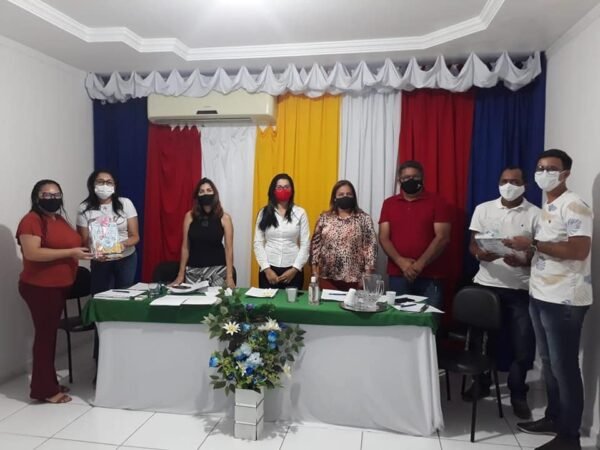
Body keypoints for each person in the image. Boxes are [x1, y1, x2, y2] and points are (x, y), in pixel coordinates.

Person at [504, 149, 592, 450]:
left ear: (565, 173)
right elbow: (548, 250)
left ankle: (569, 437)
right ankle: (554, 418)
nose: (544, 173)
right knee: (548, 363)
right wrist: (524, 257)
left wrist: (533, 243)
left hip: (564, 299)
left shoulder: (574, 205)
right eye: (540, 167)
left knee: (564, 367)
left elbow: (579, 250)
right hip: (540, 294)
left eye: (551, 168)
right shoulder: (548, 207)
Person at [466, 166, 539, 419]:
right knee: (481, 342)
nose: (509, 186)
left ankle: (518, 392)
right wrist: (479, 254)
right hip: (486, 285)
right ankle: (481, 382)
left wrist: (524, 261)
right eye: (504, 181)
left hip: (520, 288)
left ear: (525, 185)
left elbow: (540, 252)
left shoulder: (536, 214)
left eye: (515, 182)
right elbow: (473, 244)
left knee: (523, 345)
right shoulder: (483, 209)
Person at [16, 179, 92, 403]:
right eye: (47, 195)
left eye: (56, 194)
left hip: (59, 286)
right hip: (41, 287)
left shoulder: (58, 219)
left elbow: (73, 244)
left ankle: (49, 382)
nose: (53, 199)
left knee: (48, 337)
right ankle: (45, 391)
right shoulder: (31, 220)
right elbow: (33, 253)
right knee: (45, 337)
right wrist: (71, 253)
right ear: (36, 197)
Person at [378, 160, 451, 309]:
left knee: (429, 318)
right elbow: (383, 237)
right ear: (399, 180)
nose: (410, 180)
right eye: (406, 177)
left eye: (415, 177)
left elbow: (442, 237)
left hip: (431, 275)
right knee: (399, 317)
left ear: (422, 179)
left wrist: (419, 265)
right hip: (398, 274)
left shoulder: (438, 202)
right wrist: (401, 262)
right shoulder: (389, 203)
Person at [77, 170, 139, 294]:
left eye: (109, 182)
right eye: (100, 182)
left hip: (126, 258)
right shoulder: (84, 208)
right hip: (100, 260)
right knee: (100, 295)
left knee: (124, 294)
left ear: (114, 186)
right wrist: (95, 253)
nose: (104, 185)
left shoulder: (125, 203)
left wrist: (121, 245)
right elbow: (84, 240)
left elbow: (135, 236)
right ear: (92, 185)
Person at [310, 180, 377, 290]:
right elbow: (315, 246)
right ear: (334, 198)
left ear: (353, 197)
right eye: (341, 194)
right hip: (327, 277)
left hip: (355, 279)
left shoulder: (364, 219)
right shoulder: (324, 218)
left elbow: (371, 247)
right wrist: (314, 271)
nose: (345, 197)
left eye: (348, 194)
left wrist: (368, 274)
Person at [171, 178, 235, 288]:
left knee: (217, 299)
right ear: (197, 195)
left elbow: (229, 249)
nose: (205, 194)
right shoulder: (189, 217)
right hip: (193, 272)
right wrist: (180, 275)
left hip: (217, 271)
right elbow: (185, 247)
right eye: (202, 191)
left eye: (209, 190)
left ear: (214, 194)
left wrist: (229, 277)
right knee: (192, 299)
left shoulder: (225, 218)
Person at [254, 173, 310, 290]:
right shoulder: (264, 213)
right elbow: (258, 243)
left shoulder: (300, 213)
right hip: (268, 269)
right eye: (279, 187)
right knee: (268, 301)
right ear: (273, 190)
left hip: (293, 269)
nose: (283, 190)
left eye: (286, 187)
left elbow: (305, 244)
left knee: (291, 302)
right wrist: (267, 269)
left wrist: (295, 269)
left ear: (292, 190)